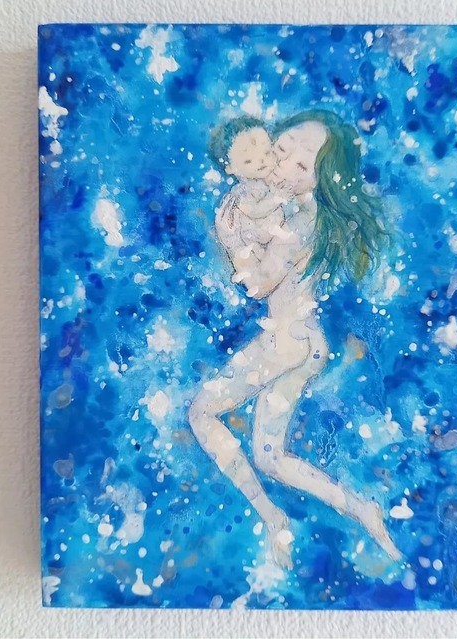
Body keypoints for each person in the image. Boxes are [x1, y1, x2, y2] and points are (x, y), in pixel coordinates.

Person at [190, 110, 399, 569]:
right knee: (270, 458)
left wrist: (230, 238)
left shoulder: (302, 217)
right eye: (281, 148)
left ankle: (271, 515)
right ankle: (360, 508)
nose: (280, 164)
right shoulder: (286, 205)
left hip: (287, 340)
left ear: (318, 181)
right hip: (306, 342)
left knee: (201, 413)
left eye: (302, 165)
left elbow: (257, 284)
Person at [209, 117, 289, 286]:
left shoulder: (273, 179)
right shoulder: (240, 194)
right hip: (253, 244)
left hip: (274, 240)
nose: (261, 161)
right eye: (248, 160)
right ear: (230, 167)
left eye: (266, 153)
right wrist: (276, 199)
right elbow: (254, 210)